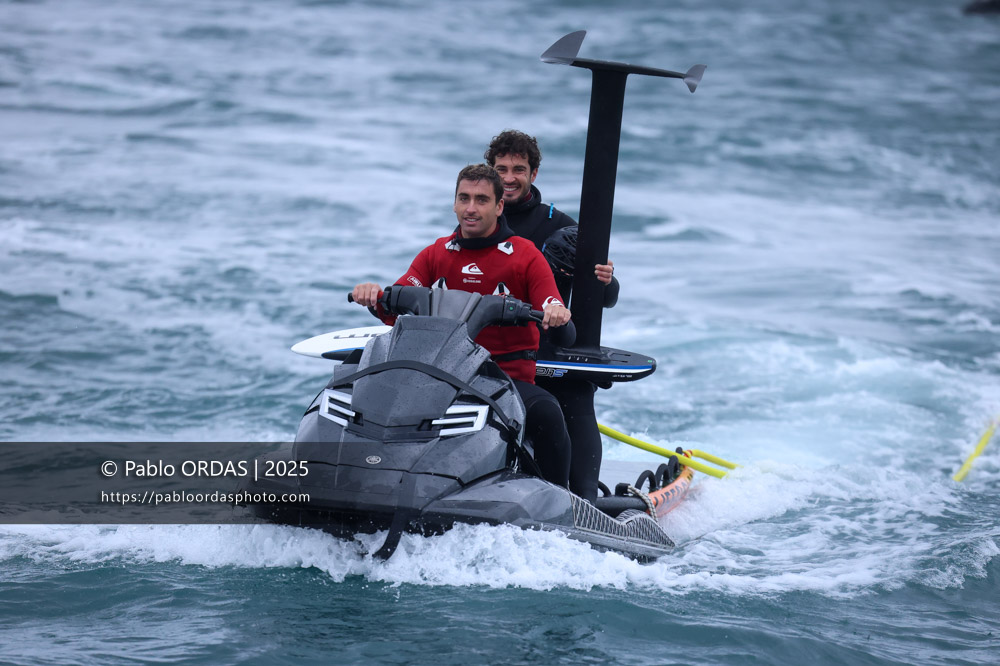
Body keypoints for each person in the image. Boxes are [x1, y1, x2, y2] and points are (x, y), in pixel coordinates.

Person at [352, 164, 573, 488]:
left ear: (499, 206)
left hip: (503, 382)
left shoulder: (525, 255)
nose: (471, 208)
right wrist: (373, 295)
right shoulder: (436, 253)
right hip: (439, 377)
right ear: (454, 203)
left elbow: (551, 302)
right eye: (464, 198)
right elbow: (393, 306)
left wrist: (556, 312)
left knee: (548, 412)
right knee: (358, 384)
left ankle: (562, 503)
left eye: (481, 200)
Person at [485, 130, 620, 504]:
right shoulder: (479, 223)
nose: (509, 178)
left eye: (519, 169)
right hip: (496, 355)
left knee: (575, 398)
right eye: (501, 169)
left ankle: (585, 501)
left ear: (535, 173)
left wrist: (606, 280)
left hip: (552, 352)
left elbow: (606, 297)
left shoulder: (560, 224)